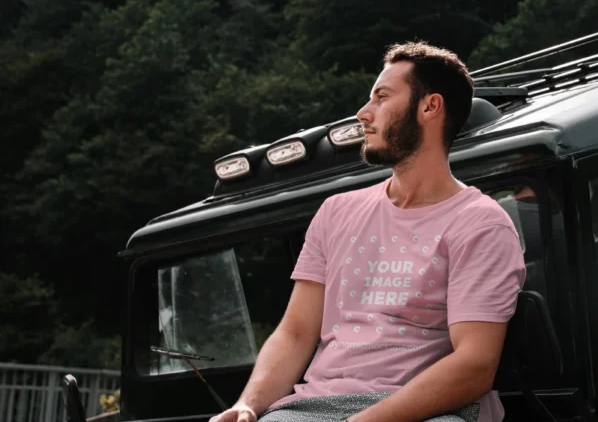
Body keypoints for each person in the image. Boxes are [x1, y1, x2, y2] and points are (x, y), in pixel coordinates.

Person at [210, 42, 526, 422]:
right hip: (312, 408)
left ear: (430, 107)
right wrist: (249, 404)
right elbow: (295, 333)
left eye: (382, 97)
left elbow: (475, 365)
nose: (363, 113)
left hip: (427, 411)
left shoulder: (480, 223)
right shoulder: (336, 212)